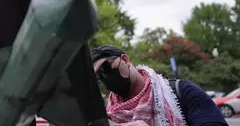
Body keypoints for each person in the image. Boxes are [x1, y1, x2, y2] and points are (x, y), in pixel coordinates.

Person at [91, 44, 228, 126]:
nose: (104, 77)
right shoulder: (107, 115)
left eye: (105, 68)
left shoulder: (183, 92)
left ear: (125, 60)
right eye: (98, 76)